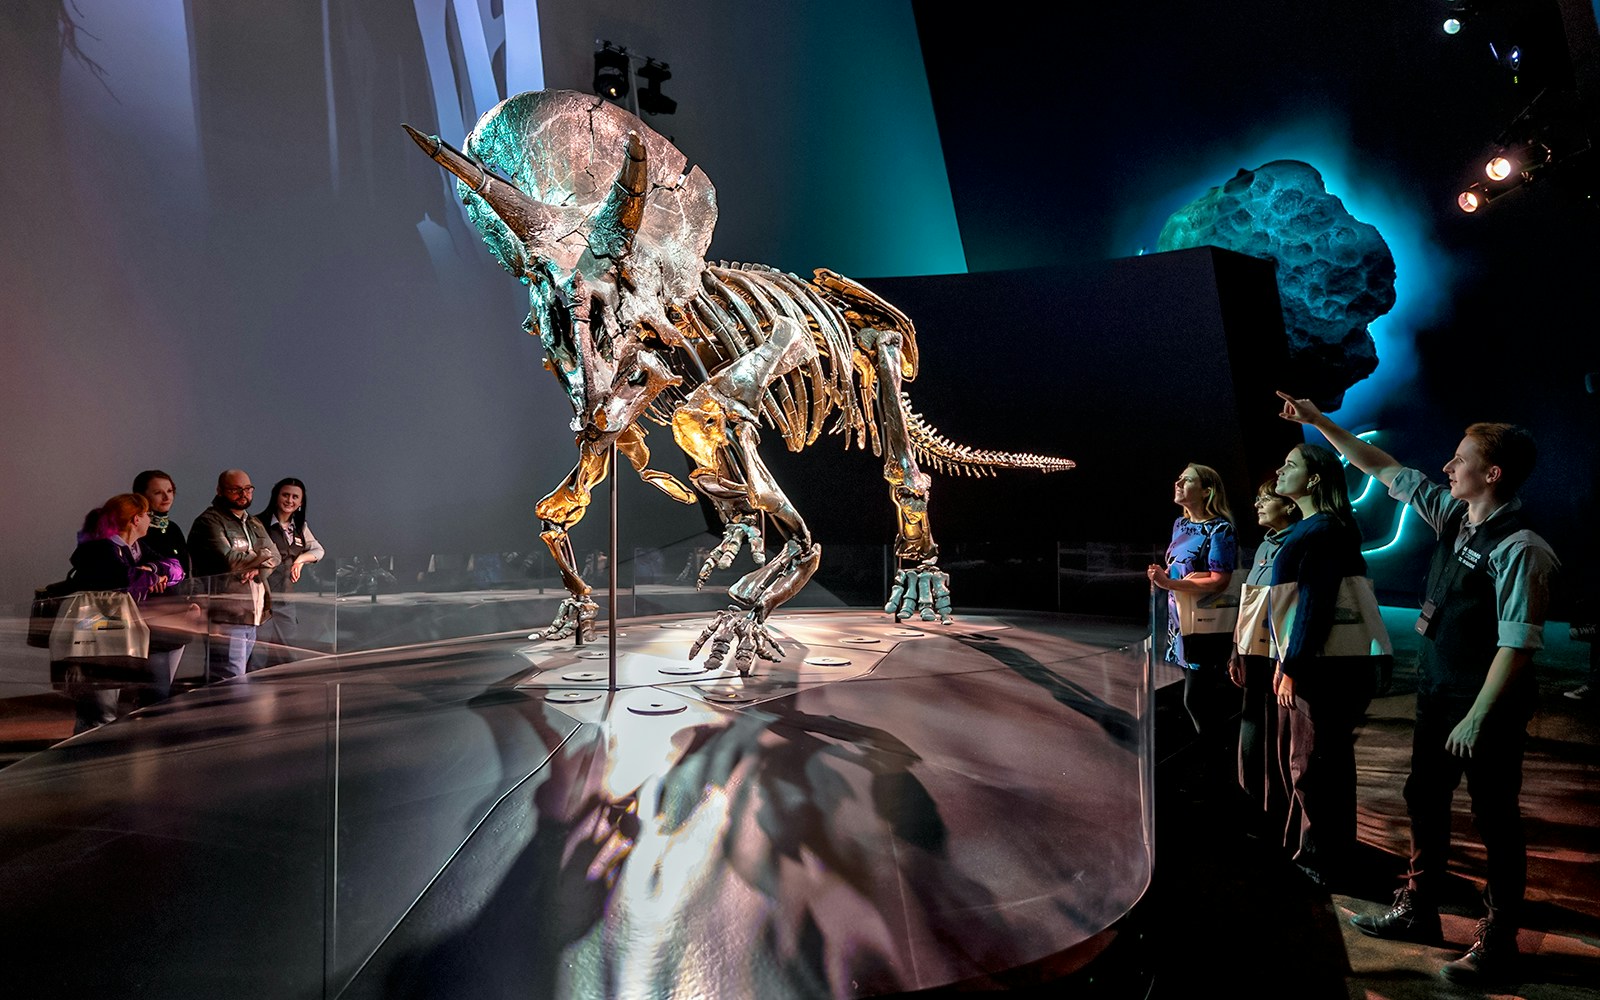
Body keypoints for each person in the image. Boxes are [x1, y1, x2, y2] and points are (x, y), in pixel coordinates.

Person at [1278, 391, 1558, 987]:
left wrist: (1479, 715)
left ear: (1493, 473)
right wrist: (1320, 422)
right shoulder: (1453, 515)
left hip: (1486, 708)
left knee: (1494, 818)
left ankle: (1499, 939)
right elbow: (1381, 467)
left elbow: (1518, 642)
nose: (1446, 468)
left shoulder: (1522, 549)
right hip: (1438, 694)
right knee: (1424, 800)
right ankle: (1418, 910)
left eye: (1460, 460)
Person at [1268, 442, 1391, 885]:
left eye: (1290, 465)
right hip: (1331, 666)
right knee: (1327, 763)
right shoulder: (1328, 526)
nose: (1280, 471)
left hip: (1321, 668)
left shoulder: (1321, 530)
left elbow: (1313, 605)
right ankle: (1328, 854)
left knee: (1311, 764)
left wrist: (1292, 664)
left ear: (1315, 479)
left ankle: (1318, 862)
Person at [1147, 463, 1238, 781]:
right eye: (1178, 478)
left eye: (1186, 480)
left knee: (1197, 699)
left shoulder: (1220, 529)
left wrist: (1171, 584)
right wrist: (1162, 578)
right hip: (1179, 626)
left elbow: (1219, 580)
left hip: (1204, 625)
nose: (1178, 483)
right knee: (1197, 699)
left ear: (1207, 490)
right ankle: (1216, 765)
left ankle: (1221, 770)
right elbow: (1179, 571)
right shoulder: (1179, 525)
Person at [64, 494, 182, 732]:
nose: (151, 519)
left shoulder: (136, 547)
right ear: (135, 519)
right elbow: (126, 581)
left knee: (111, 705)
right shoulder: (98, 549)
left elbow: (178, 569)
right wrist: (151, 575)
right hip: (97, 636)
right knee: (98, 710)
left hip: (119, 632)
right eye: (147, 514)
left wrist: (153, 568)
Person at [1229, 479, 1301, 836]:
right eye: (1257, 499)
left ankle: (1278, 813)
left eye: (1266, 499)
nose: (1258, 505)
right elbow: (1249, 601)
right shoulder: (1262, 547)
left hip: (1281, 655)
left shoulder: (1300, 543)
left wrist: (1289, 664)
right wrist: (1236, 650)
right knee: (1252, 725)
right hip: (1254, 653)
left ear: (1290, 505)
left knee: (1281, 735)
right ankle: (1251, 804)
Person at [189, 469, 278, 683]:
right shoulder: (209, 522)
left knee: (242, 678)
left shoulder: (253, 522)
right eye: (235, 489)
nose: (243, 494)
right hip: (225, 615)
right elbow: (230, 560)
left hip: (254, 612)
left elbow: (275, 555)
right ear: (220, 491)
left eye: (248, 489)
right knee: (228, 680)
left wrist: (259, 568)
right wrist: (262, 555)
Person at [133, 469, 192, 699]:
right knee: (154, 691)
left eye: (169, 491)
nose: (166, 497)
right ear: (142, 496)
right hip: (150, 618)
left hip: (177, 614)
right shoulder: (138, 529)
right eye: (158, 492)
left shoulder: (174, 528)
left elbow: (183, 569)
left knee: (164, 689)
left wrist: (190, 601)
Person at [254, 478, 323, 665]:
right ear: (276, 496)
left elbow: (319, 551)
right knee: (256, 656)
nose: (289, 500)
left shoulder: (300, 527)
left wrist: (300, 560)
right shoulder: (257, 523)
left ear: (301, 502)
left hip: (286, 600)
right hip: (262, 601)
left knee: (287, 655)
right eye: (285, 495)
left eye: (295, 497)